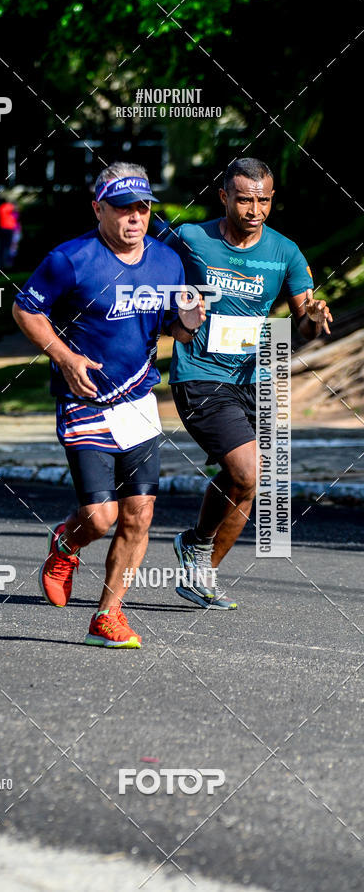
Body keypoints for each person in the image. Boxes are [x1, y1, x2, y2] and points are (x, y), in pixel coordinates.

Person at [12, 162, 205, 648]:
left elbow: (173, 327)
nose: (135, 217)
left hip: (139, 400)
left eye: (142, 208)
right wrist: (64, 356)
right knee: (100, 517)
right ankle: (67, 542)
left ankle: (107, 616)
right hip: (85, 399)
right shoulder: (70, 259)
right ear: (98, 208)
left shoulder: (168, 262)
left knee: (139, 513)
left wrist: (188, 322)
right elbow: (26, 309)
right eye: (122, 208)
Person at [163, 157, 332, 609]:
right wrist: (173, 316)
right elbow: (149, 278)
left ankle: (202, 570)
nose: (254, 210)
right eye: (243, 200)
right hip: (201, 373)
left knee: (249, 482)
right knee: (246, 471)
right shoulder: (191, 239)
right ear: (224, 197)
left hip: (257, 375)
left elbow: (304, 323)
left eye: (263, 201)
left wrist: (313, 317)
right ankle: (197, 543)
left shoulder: (285, 252)